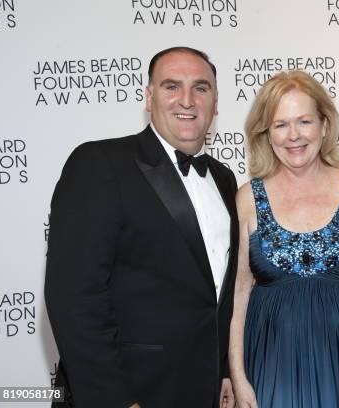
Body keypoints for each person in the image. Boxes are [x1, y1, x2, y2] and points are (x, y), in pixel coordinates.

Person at [45, 47, 238, 408]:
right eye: (171, 86)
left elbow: (218, 295)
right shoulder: (99, 164)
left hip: (205, 391)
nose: (187, 99)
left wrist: (226, 369)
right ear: (149, 98)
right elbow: (74, 299)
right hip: (133, 391)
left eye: (201, 87)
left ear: (215, 104)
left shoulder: (225, 179)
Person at [228, 71, 339, 408]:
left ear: (324, 124)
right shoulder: (247, 199)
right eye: (280, 124)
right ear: (266, 133)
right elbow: (239, 294)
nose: (294, 136)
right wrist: (238, 376)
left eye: (304, 121)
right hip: (270, 370)